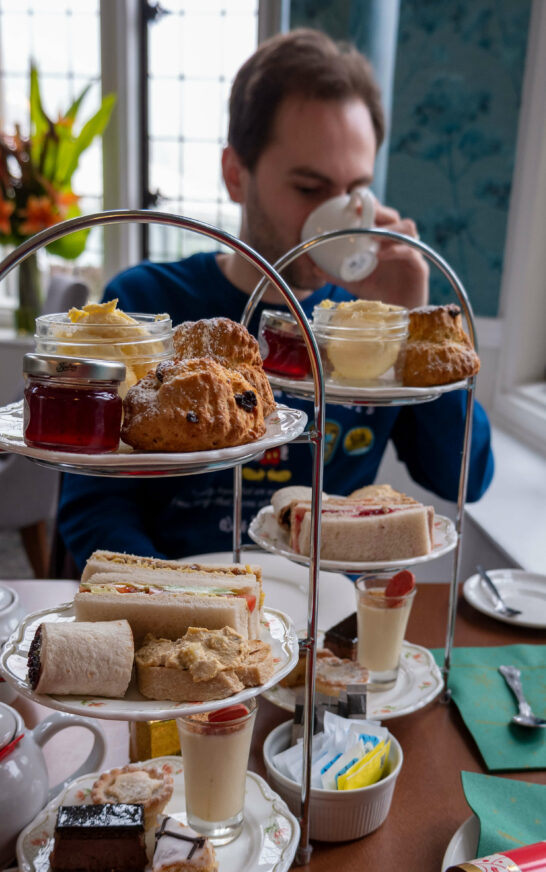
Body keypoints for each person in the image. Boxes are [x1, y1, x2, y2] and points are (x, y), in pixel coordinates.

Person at [58, 28, 493, 568]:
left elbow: (464, 480)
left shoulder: (368, 333)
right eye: (309, 190)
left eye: (354, 194)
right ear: (236, 175)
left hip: (324, 613)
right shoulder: (145, 303)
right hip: (182, 607)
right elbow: (94, 508)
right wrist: (178, 604)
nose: (334, 222)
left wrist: (406, 318)